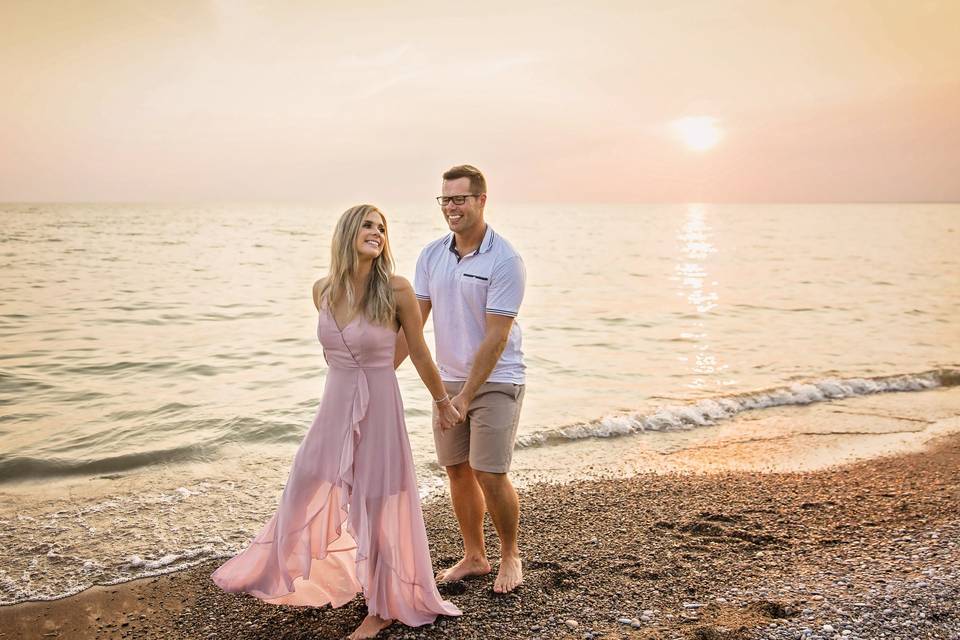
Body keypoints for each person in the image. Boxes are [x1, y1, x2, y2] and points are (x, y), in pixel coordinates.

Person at [212, 204, 462, 640]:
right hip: (334, 405)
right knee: (306, 478)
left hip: (380, 406)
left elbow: (419, 352)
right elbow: (332, 356)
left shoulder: (397, 290)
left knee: (377, 500)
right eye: (367, 225)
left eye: (382, 228)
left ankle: (382, 607)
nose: (377, 232)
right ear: (347, 232)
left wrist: (442, 402)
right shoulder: (322, 291)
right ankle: (283, 568)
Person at [396, 165, 527, 594]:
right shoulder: (431, 255)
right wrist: (376, 373)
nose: (451, 207)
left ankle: (510, 555)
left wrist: (467, 395)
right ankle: (475, 556)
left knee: (489, 471)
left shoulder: (504, 259)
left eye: (460, 199)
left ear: (481, 200)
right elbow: (414, 327)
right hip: (447, 382)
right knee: (456, 469)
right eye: (445, 199)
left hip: (496, 379)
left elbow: (497, 335)